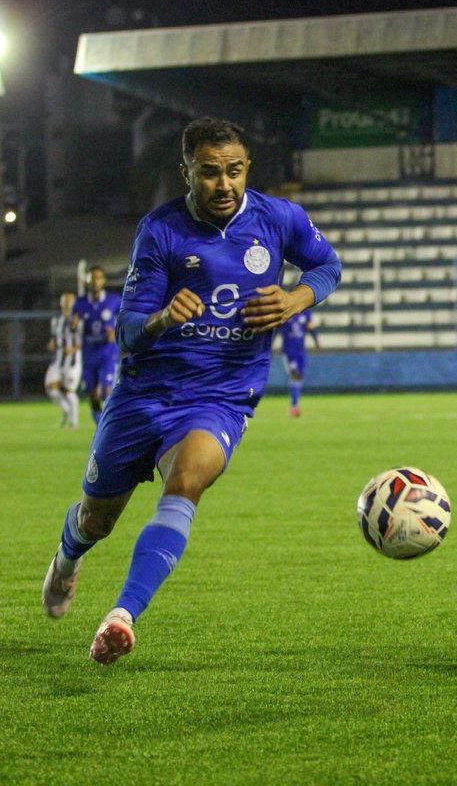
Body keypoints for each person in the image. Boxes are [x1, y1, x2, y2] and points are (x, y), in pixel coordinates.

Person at [41, 117, 342, 666]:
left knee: (186, 483)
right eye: (209, 173)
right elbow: (126, 331)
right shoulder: (161, 231)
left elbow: (328, 264)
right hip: (144, 394)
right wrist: (161, 317)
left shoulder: (278, 219)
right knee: (96, 520)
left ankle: (121, 616)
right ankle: (66, 557)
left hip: (221, 396)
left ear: (247, 168)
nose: (224, 184)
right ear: (187, 173)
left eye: (234, 171)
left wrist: (297, 299)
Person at [72, 266, 122, 423]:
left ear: (103, 280)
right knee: (93, 395)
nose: (95, 281)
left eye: (98, 277)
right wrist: (73, 324)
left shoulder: (114, 301)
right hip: (89, 354)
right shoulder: (80, 303)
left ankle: (113, 425)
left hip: (107, 352)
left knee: (107, 391)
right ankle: (100, 425)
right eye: (92, 278)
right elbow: (73, 325)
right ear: (88, 281)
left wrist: (115, 332)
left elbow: (126, 320)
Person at [45, 291, 83, 429]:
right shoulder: (56, 321)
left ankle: (74, 423)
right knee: (51, 388)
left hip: (73, 361)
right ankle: (67, 410)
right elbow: (55, 338)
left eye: (70, 301)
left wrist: (73, 349)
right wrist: (52, 344)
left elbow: (86, 340)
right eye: (64, 301)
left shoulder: (80, 320)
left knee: (69, 391)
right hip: (58, 360)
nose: (67, 304)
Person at [279, 308, 320, 417]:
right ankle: (294, 407)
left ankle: (294, 405)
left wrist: (316, 341)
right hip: (288, 351)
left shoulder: (306, 313)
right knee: (295, 375)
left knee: (299, 376)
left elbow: (311, 328)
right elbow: (275, 330)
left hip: (300, 351)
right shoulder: (285, 312)